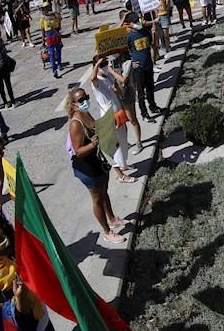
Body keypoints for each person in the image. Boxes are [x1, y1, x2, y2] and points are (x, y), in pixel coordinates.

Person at [64, 89, 128, 244]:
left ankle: (112, 218)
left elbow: (96, 129)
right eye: (81, 100)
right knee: (97, 199)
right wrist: (92, 145)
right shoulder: (75, 123)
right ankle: (107, 232)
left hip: (97, 161)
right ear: (73, 104)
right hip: (87, 168)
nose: (85, 101)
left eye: (86, 97)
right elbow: (78, 151)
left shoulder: (85, 114)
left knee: (104, 191)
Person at [91, 56, 136, 182]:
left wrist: (118, 91)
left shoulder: (108, 77)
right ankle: (121, 175)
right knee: (114, 146)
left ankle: (124, 165)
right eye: (102, 64)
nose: (105, 66)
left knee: (123, 140)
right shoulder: (97, 81)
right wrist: (97, 65)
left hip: (118, 112)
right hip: (108, 116)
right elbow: (92, 78)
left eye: (106, 63)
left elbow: (119, 92)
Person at [125, 13, 163, 122]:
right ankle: (144, 113)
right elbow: (126, 52)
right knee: (141, 92)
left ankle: (153, 106)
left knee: (150, 88)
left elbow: (153, 45)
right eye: (135, 21)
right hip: (139, 68)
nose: (138, 22)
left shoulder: (145, 31)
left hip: (148, 65)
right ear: (130, 24)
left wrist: (154, 35)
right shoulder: (130, 36)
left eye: (138, 20)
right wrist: (131, 62)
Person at [39, 3, 63, 79]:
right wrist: (43, 40)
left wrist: (56, 14)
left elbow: (59, 21)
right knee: (51, 54)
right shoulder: (42, 18)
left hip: (55, 34)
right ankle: (54, 70)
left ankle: (59, 63)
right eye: (44, 8)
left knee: (58, 51)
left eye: (46, 7)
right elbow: (42, 29)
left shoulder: (53, 15)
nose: (45, 9)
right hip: (48, 36)